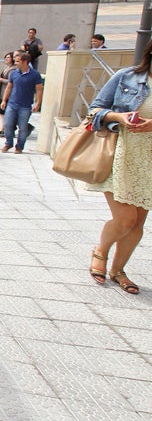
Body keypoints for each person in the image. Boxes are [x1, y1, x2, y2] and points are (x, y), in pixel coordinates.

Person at [86, 40, 152, 295]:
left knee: (138, 224)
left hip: (149, 159)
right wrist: (119, 117)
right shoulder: (128, 77)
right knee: (126, 219)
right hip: (122, 153)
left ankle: (118, 270)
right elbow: (95, 110)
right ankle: (100, 251)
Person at [0, 52, 43, 154]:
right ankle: (8, 143)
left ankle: (19, 147)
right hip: (12, 103)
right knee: (7, 124)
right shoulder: (14, 73)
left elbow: (39, 90)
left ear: (25, 62)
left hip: (25, 106)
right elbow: (9, 87)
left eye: (18, 61)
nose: (16, 63)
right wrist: (4, 100)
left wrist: (38, 103)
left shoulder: (35, 75)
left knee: (23, 127)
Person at [0, 52, 16, 135]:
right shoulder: (7, 68)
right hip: (2, 91)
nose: (6, 59)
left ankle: (8, 129)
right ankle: (3, 128)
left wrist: (0, 79)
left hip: (8, 93)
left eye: (8, 57)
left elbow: (11, 82)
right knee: (1, 111)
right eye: (5, 57)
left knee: (6, 112)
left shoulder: (13, 69)